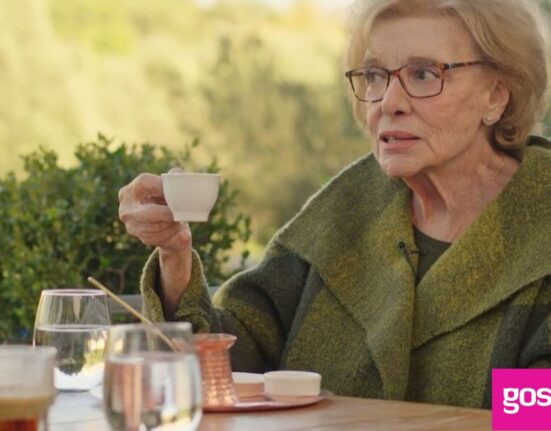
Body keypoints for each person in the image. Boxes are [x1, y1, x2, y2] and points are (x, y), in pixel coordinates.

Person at [118, 0, 551, 409]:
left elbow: (535, 414)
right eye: (375, 76)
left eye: (423, 74)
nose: (389, 102)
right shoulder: (344, 212)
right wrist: (175, 256)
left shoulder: (539, 228)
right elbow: (231, 363)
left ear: (496, 95)